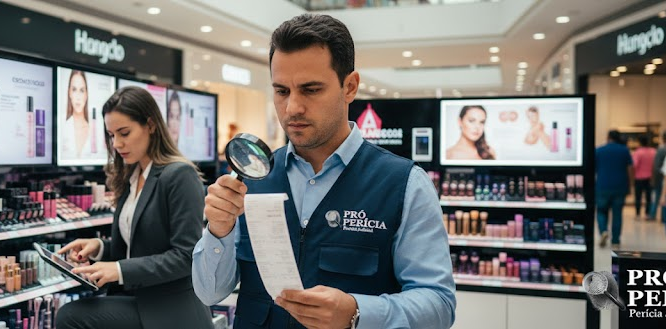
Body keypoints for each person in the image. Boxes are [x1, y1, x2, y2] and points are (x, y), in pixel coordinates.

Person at [193, 14, 455, 329]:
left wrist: (358, 312)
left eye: (311, 89)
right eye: (282, 91)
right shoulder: (251, 179)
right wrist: (218, 231)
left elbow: (439, 304)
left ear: (350, 87)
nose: (292, 108)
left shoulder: (404, 184)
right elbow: (210, 292)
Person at [54, 86, 213, 329]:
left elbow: (185, 256)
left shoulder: (180, 175)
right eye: (111, 135)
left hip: (170, 309)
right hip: (138, 299)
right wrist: (99, 248)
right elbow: (140, 248)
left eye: (124, 133)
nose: (117, 143)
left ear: (150, 125)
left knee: (70, 316)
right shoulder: (133, 176)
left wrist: (118, 270)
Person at [595, 130, 633, 249]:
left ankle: (603, 231)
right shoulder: (624, 150)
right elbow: (630, 169)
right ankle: (615, 240)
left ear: (608, 137)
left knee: (601, 211)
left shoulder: (599, 150)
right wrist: (630, 185)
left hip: (602, 186)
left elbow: (594, 169)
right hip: (620, 187)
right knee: (617, 214)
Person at [61, 70, 106, 160]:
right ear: (69, 92)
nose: (78, 97)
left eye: (82, 90)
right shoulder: (61, 125)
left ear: (86, 94)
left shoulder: (97, 128)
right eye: (74, 90)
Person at [649, 130, 666, 221]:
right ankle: (663, 216)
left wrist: (653, 178)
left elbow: (656, 166)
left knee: (657, 196)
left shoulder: (661, 149)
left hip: (660, 177)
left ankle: (653, 214)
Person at [631, 136, 656, 220]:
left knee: (638, 197)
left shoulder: (638, 152)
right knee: (648, 197)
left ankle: (638, 214)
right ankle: (647, 213)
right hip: (650, 178)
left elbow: (634, 165)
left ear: (640, 143)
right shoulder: (653, 151)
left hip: (639, 178)